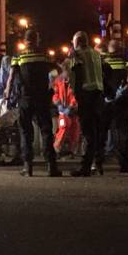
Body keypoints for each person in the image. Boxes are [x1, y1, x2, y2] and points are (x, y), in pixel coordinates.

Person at [10, 29, 61, 177]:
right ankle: (51, 166)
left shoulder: (18, 56)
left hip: (25, 98)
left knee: (25, 131)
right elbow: (57, 70)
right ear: (37, 40)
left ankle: (28, 167)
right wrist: (52, 85)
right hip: (42, 97)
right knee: (46, 130)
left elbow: (12, 76)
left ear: (25, 41)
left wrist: (8, 93)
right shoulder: (44, 55)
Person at [67, 30, 103, 177]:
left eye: (73, 41)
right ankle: (97, 163)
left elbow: (76, 76)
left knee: (88, 132)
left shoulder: (77, 55)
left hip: (86, 95)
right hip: (98, 95)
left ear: (77, 42)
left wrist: (75, 97)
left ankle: (85, 167)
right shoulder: (96, 54)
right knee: (96, 130)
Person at [100, 40, 128, 173]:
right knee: (123, 132)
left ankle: (97, 162)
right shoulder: (125, 61)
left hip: (105, 101)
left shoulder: (103, 61)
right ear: (120, 49)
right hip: (122, 101)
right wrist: (127, 86)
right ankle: (124, 164)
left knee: (101, 132)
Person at [52, 60, 80, 156]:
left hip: (73, 110)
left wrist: (71, 106)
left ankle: (72, 150)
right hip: (63, 110)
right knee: (63, 127)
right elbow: (55, 94)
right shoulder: (59, 81)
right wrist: (58, 104)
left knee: (74, 130)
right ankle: (57, 147)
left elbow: (75, 96)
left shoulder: (75, 81)